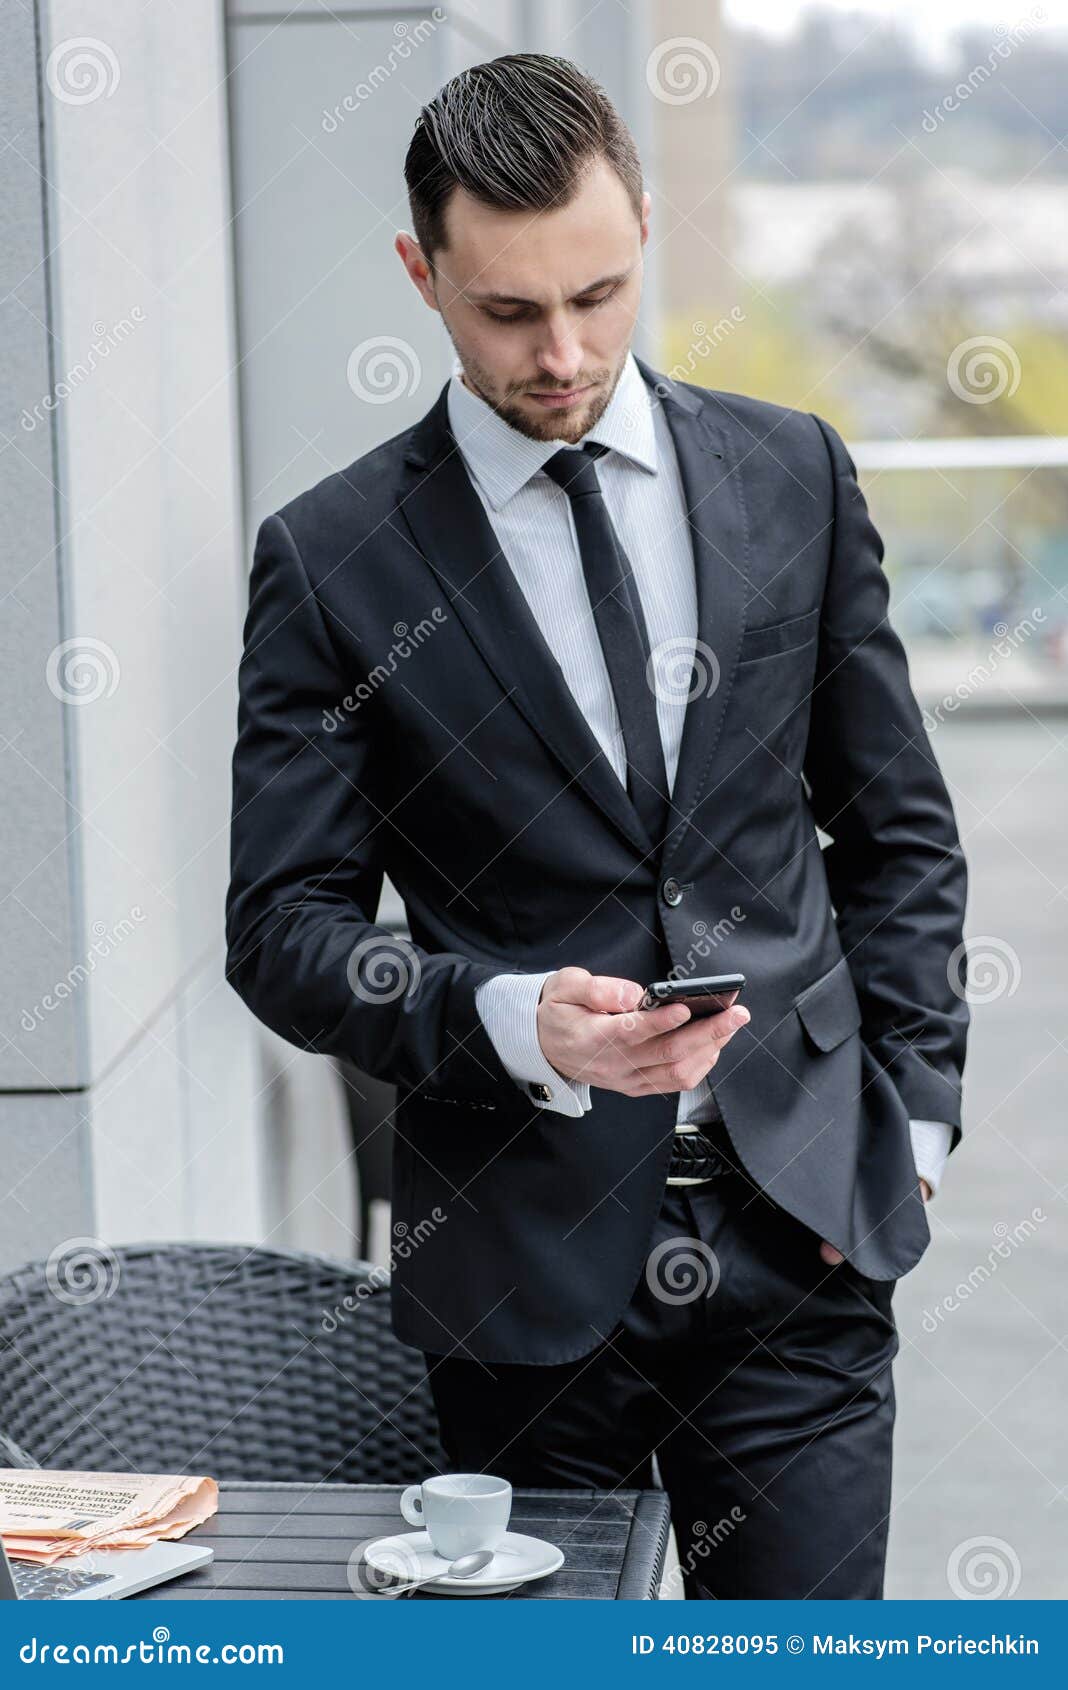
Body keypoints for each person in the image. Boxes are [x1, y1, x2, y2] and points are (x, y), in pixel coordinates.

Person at [225, 53, 968, 1598]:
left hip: (800, 1239)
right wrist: (509, 1020)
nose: (564, 353)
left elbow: (896, 835)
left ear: (640, 225)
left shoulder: (794, 474)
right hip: (520, 1279)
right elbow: (281, 932)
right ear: (421, 273)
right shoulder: (332, 559)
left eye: (601, 293)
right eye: (508, 312)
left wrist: (913, 1135)